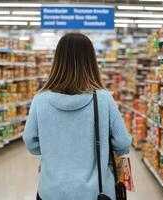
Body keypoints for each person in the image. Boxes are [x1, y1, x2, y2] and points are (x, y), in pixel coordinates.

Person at [22, 33, 132, 200]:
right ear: (91, 61)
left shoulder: (40, 99)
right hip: (96, 193)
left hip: (51, 192)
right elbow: (122, 144)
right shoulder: (103, 98)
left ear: (57, 60)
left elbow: (30, 142)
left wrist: (54, 150)